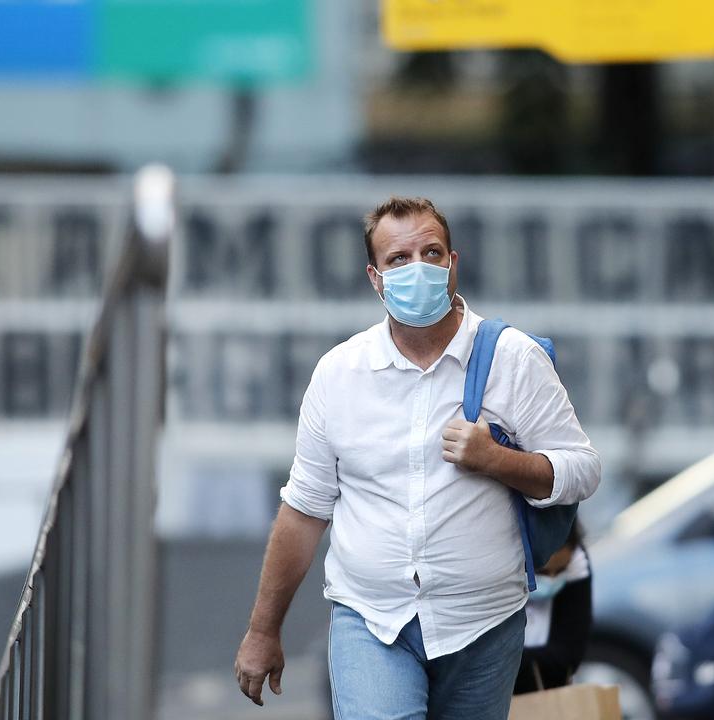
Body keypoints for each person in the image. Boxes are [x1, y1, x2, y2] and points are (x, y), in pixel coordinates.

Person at [233, 196, 601, 719]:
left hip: (485, 624)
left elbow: (583, 469)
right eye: (398, 259)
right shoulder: (340, 375)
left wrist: (496, 459)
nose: (418, 269)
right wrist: (263, 629)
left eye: (431, 252)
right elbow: (304, 511)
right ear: (374, 277)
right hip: (372, 619)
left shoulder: (513, 359)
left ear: (453, 263)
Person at [512, 522, 593, 695]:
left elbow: (568, 657)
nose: (552, 580)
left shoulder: (577, 560)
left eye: (561, 570)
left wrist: (515, 660)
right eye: (542, 572)